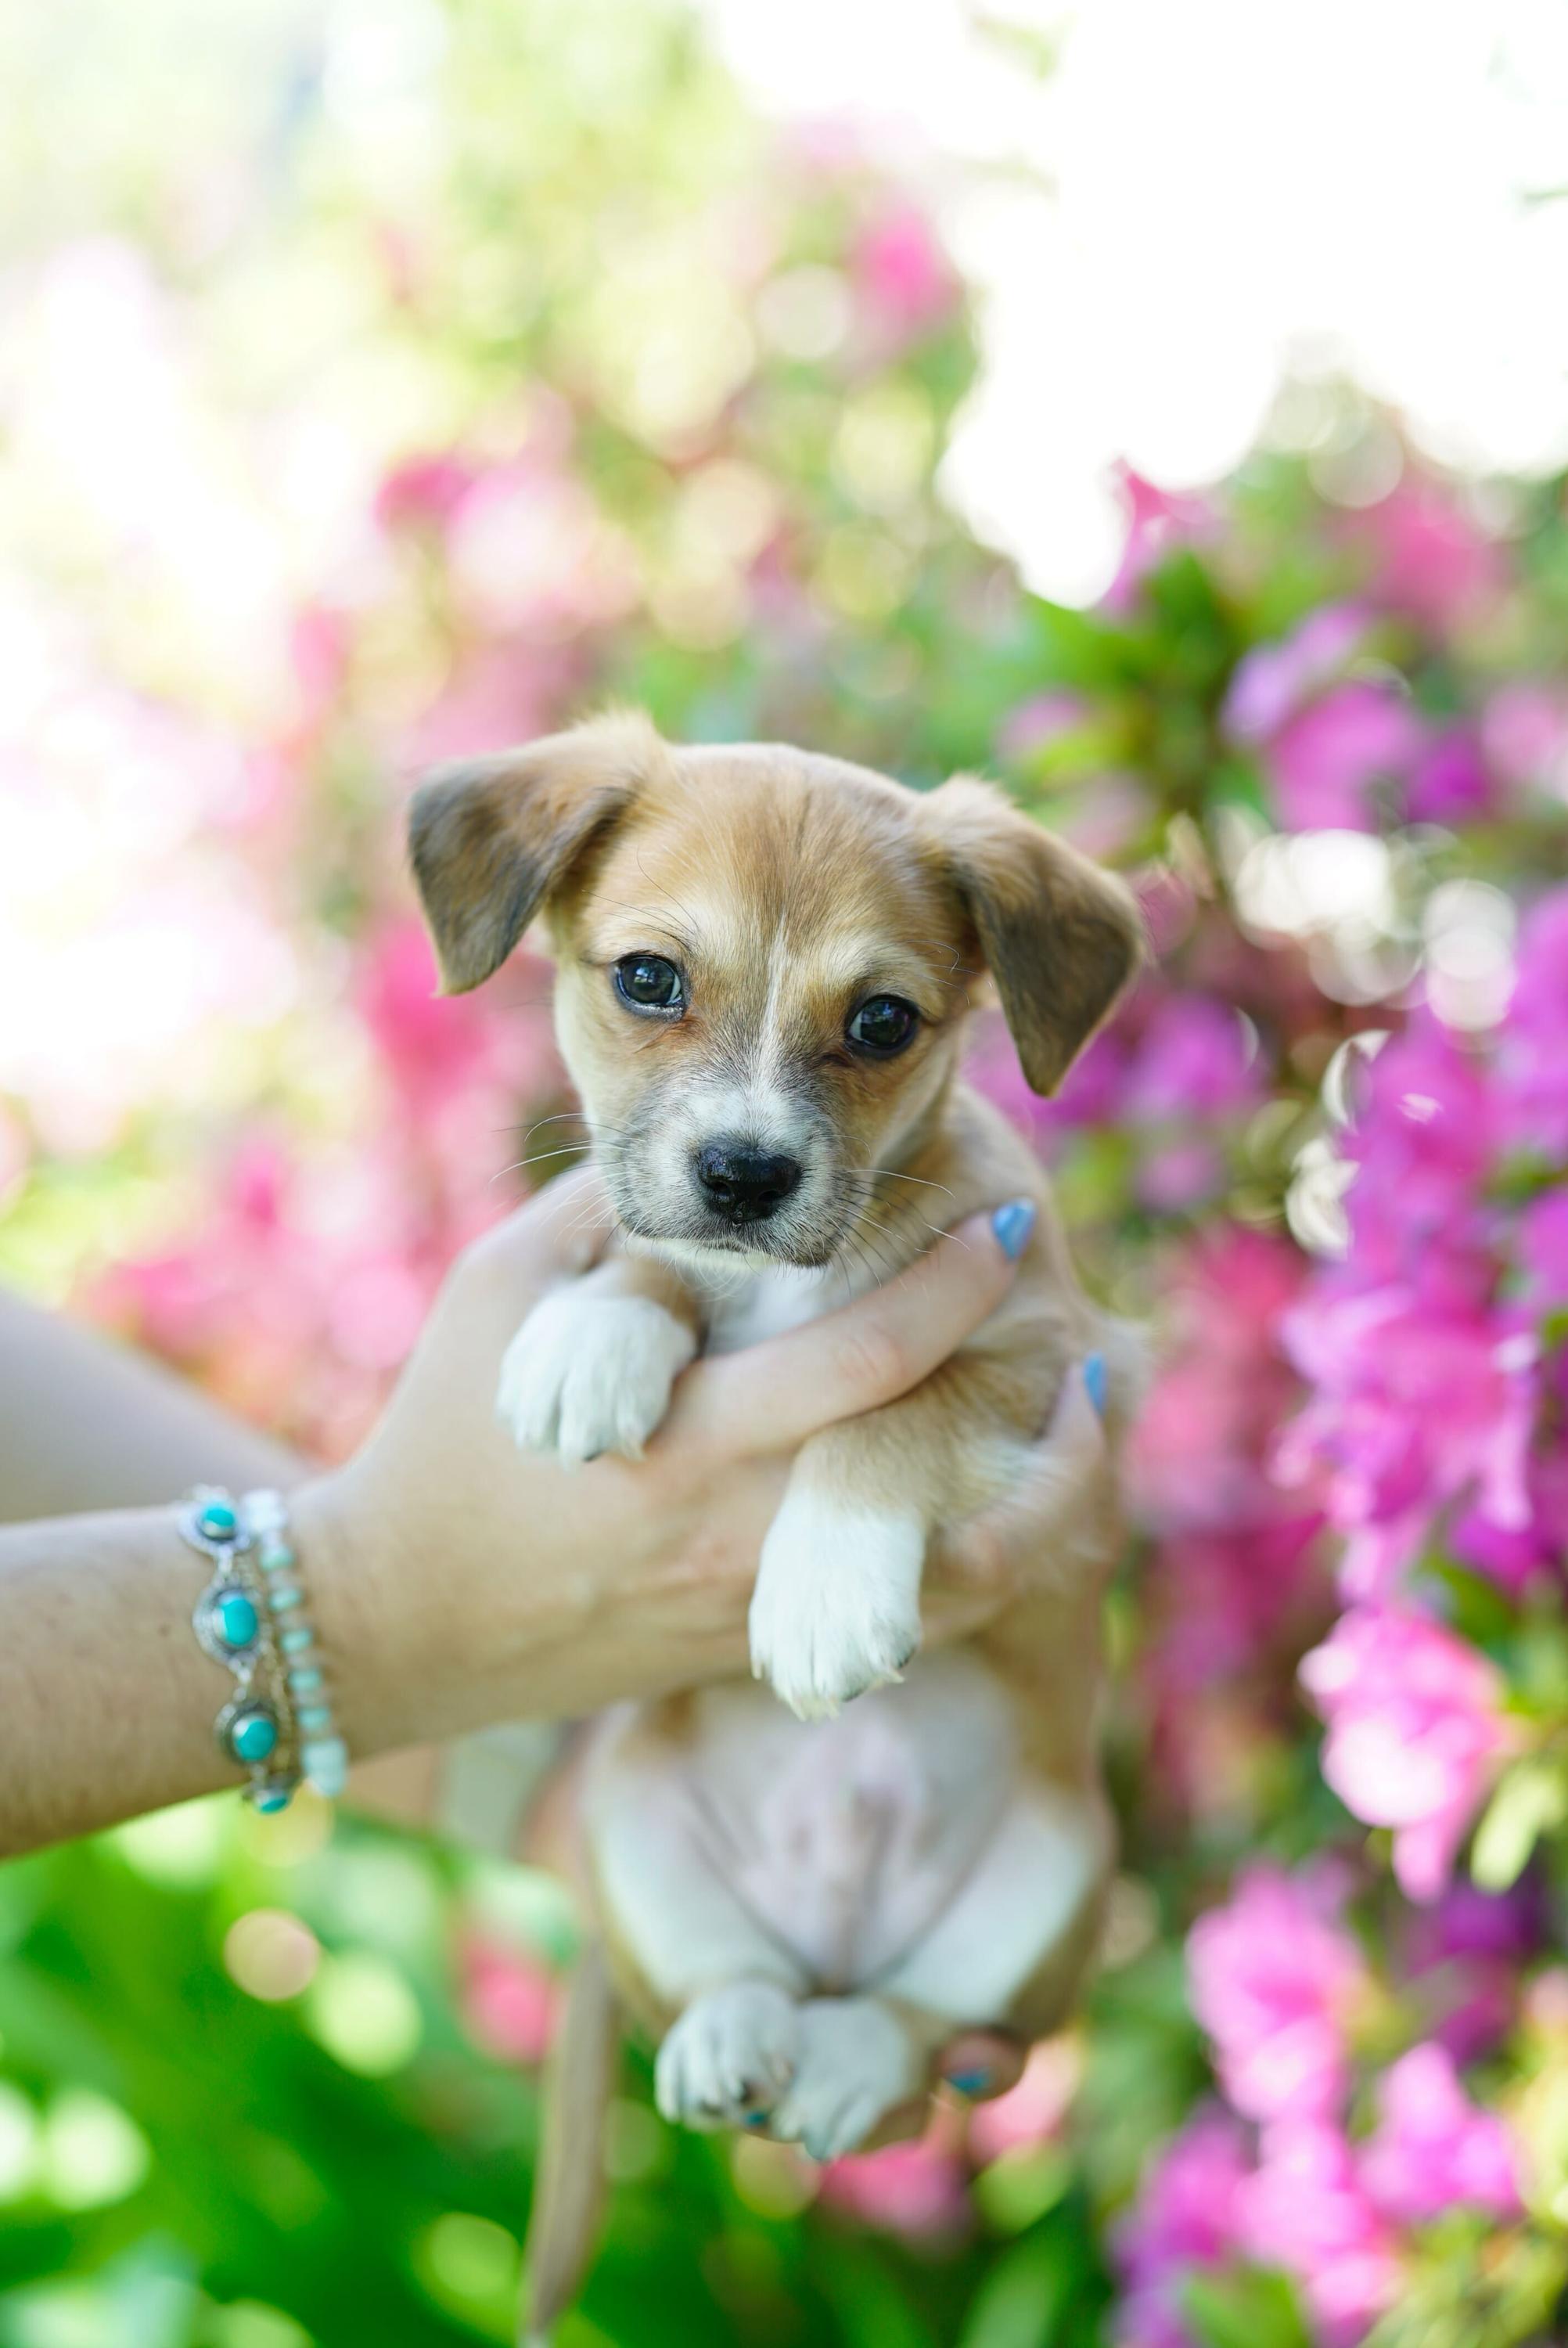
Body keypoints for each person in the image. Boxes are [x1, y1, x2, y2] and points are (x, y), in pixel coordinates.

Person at [0, 1168, 1106, 2104]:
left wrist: (533, 1763)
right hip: (724, 1794)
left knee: (1036, 1864)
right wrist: (361, 1600)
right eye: (650, 996)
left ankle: (887, 2014)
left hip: (930, 1819)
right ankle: (736, 1979)